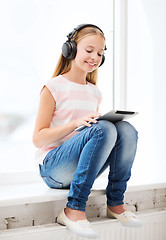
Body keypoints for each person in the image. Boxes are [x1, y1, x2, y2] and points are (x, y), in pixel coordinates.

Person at [33, 24, 142, 239]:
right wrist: (75, 124)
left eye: (100, 53)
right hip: (53, 169)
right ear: (70, 50)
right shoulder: (53, 87)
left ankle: (116, 202)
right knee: (103, 128)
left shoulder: (95, 92)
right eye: (89, 50)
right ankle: (73, 208)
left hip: (79, 168)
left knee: (126, 129)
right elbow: (38, 139)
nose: (95, 57)